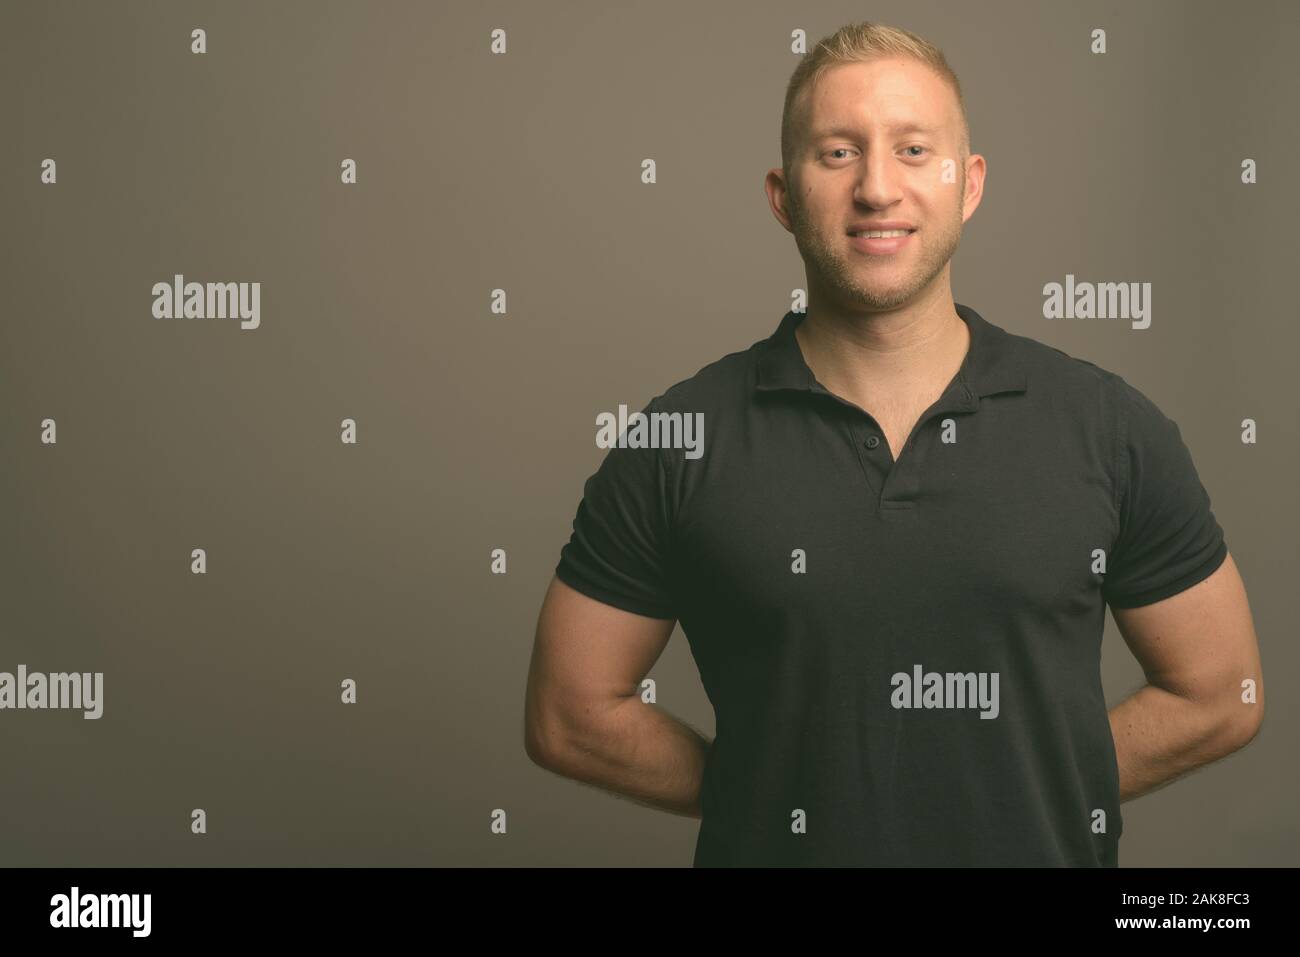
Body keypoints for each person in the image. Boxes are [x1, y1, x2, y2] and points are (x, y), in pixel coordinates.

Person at [524, 21, 1264, 866]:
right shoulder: (677, 441)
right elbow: (568, 714)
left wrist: (1036, 780)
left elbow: (1222, 694)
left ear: (969, 184)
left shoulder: (1107, 427)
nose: (878, 187)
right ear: (782, 194)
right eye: (838, 153)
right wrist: (783, 789)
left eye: (915, 150)